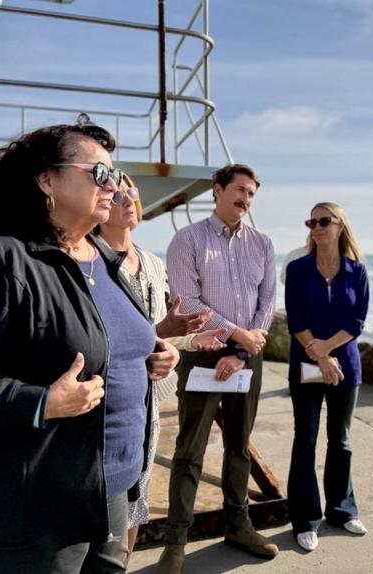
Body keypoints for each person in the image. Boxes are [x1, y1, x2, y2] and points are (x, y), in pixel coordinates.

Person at [0, 119, 179, 572]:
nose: (116, 186)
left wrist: (152, 352)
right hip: (40, 501)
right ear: (47, 179)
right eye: (100, 173)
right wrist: (39, 402)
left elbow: (99, 335)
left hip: (115, 488)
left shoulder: (102, 257)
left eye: (117, 174)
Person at [95, 173, 226, 560]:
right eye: (115, 193)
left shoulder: (151, 263)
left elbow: (158, 336)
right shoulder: (90, 262)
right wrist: (163, 332)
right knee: (107, 507)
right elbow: (105, 341)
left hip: (148, 403)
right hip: (110, 405)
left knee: (138, 498)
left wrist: (184, 344)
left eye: (131, 192)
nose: (126, 199)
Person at [155, 164, 277, 573]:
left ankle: (238, 527)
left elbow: (266, 305)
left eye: (251, 194)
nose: (246, 199)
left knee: (239, 446)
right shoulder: (187, 240)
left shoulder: (262, 244)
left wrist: (242, 350)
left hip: (245, 359)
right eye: (240, 190)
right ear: (218, 191)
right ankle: (176, 542)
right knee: (189, 451)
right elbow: (186, 302)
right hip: (202, 353)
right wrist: (235, 335)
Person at [284, 202, 369, 552]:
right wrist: (319, 355)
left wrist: (328, 351)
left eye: (324, 221)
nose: (316, 226)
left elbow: (357, 321)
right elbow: (295, 319)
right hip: (305, 363)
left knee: (341, 440)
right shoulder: (298, 269)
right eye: (312, 221)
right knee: (305, 439)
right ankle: (305, 519)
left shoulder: (356, 271)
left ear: (339, 226)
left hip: (345, 366)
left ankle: (341, 510)